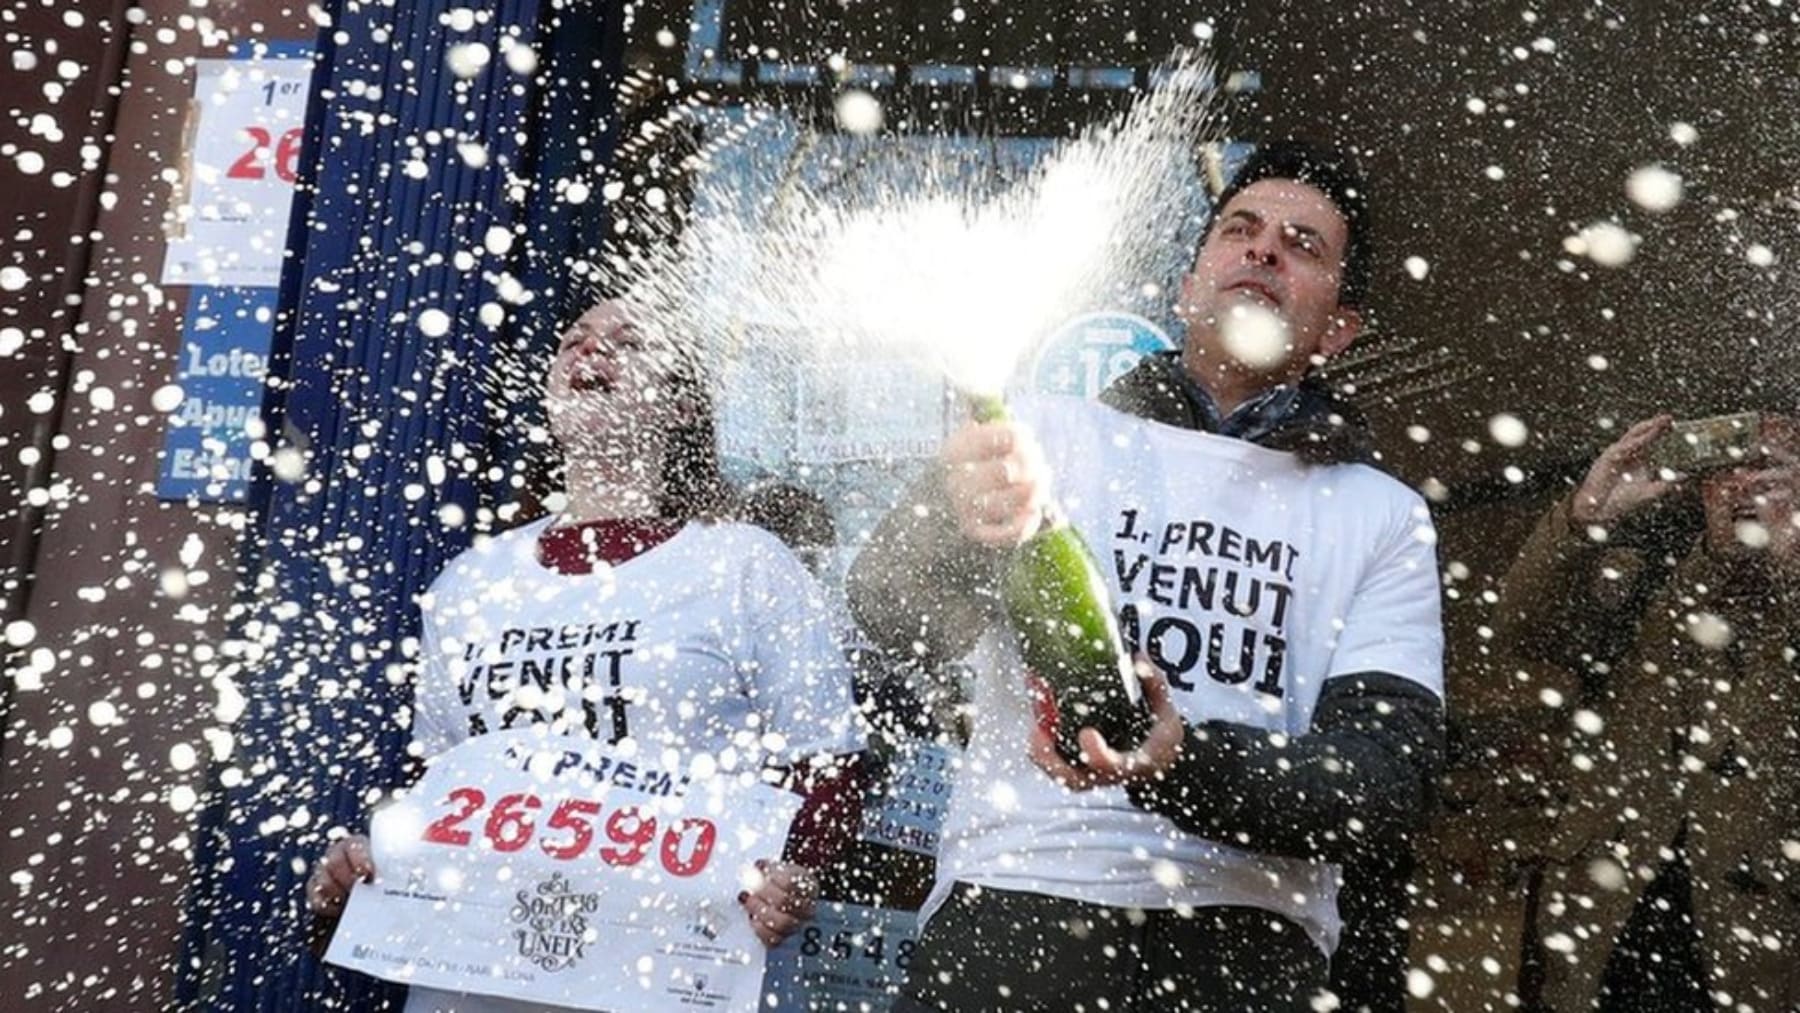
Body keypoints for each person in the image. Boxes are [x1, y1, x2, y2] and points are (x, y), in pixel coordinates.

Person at [846, 141, 1447, 1012]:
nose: (1263, 249)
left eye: (1302, 244)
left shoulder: (1379, 513)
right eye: (1239, 230)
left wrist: (1180, 761)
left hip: (1245, 941)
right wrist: (954, 538)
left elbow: (1382, 784)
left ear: (1339, 329)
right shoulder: (1047, 435)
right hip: (1018, 904)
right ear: (1188, 284)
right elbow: (884, 594)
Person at [306, 301, 866, 1012]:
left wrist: (794, 873)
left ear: (684, 405)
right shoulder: (471, 582)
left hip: (670, 976)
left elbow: (829, 763)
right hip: (469, 989)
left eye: (626, 342)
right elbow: (440, 785)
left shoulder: (744, 565)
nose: (589, 351)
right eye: (573, 339)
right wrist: (362, 870)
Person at [1497, 412, 1800, 1012]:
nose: (1740, 486)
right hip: (1608, 941)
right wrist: (1581, 521)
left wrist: (1793, 575)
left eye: (1766, 469)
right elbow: (1522, 628)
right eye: (1721, 470)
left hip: (1753, 957)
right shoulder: (1643, 583)